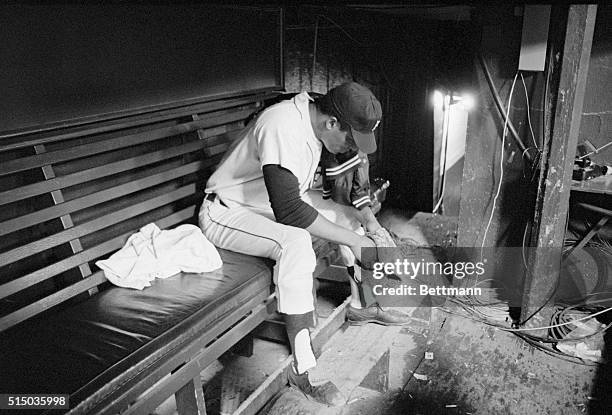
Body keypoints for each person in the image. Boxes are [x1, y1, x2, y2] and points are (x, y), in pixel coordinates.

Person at [199, 82, 409, 406]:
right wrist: (358, 243)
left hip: (261, 206)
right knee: (295, 242)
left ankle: (360, 305)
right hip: (226, 212)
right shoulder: (282, 124)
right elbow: (289, 211)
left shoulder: (313, 121)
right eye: (349, 139)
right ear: (331, 123)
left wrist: (364, 224)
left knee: (347, 217)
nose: (351, 148)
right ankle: (302, 368)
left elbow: (298, 200)